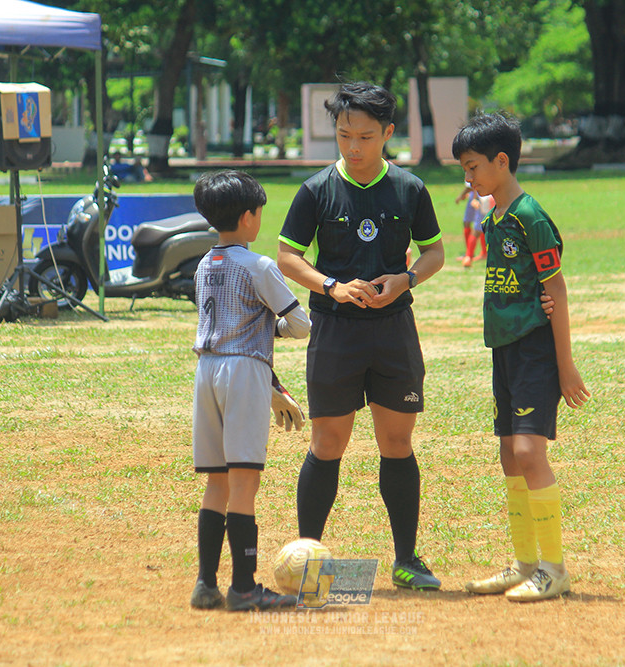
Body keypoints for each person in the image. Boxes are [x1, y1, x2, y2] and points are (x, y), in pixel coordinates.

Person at [277, 81, 445, 591]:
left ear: (388, 133)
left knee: (397, 442)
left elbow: (434, 252)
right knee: (328, 443)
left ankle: (406, 559)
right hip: (335, 332)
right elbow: (288, 257)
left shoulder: (410, 189)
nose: (353, 146)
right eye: (344, 134)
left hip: (394, 332)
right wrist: (330, 285)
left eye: (366, 136)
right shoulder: (316, 190)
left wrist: (407, 279)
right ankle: (309, 562)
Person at [451, 112, 590, 602]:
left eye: (472, 168)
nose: (467, 179)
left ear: (501, 161)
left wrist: (565, 364)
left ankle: (554, 570)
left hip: (534, 350)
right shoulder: (494, 217)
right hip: (504, 350)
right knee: (510, 455)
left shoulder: (530, 216)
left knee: (530, 453)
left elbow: (557, 290)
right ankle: (525, 564)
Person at [189, 170, 312, 612]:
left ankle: (206, 584)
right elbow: (299, 324)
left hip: (207, 370)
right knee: (245, 483)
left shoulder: (205, 263)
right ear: (247, 218)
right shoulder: (259, 265)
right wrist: (272, 327)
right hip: (243, 372)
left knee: (217, 484)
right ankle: (244, 587)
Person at [454, 183, 493, 267]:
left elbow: (475, 183)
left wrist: (475, 198)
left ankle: (469, 256)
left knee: (477, 229)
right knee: (486, 227)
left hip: (484, 199)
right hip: (493, 198)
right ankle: (483, 253)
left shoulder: (478, 171)